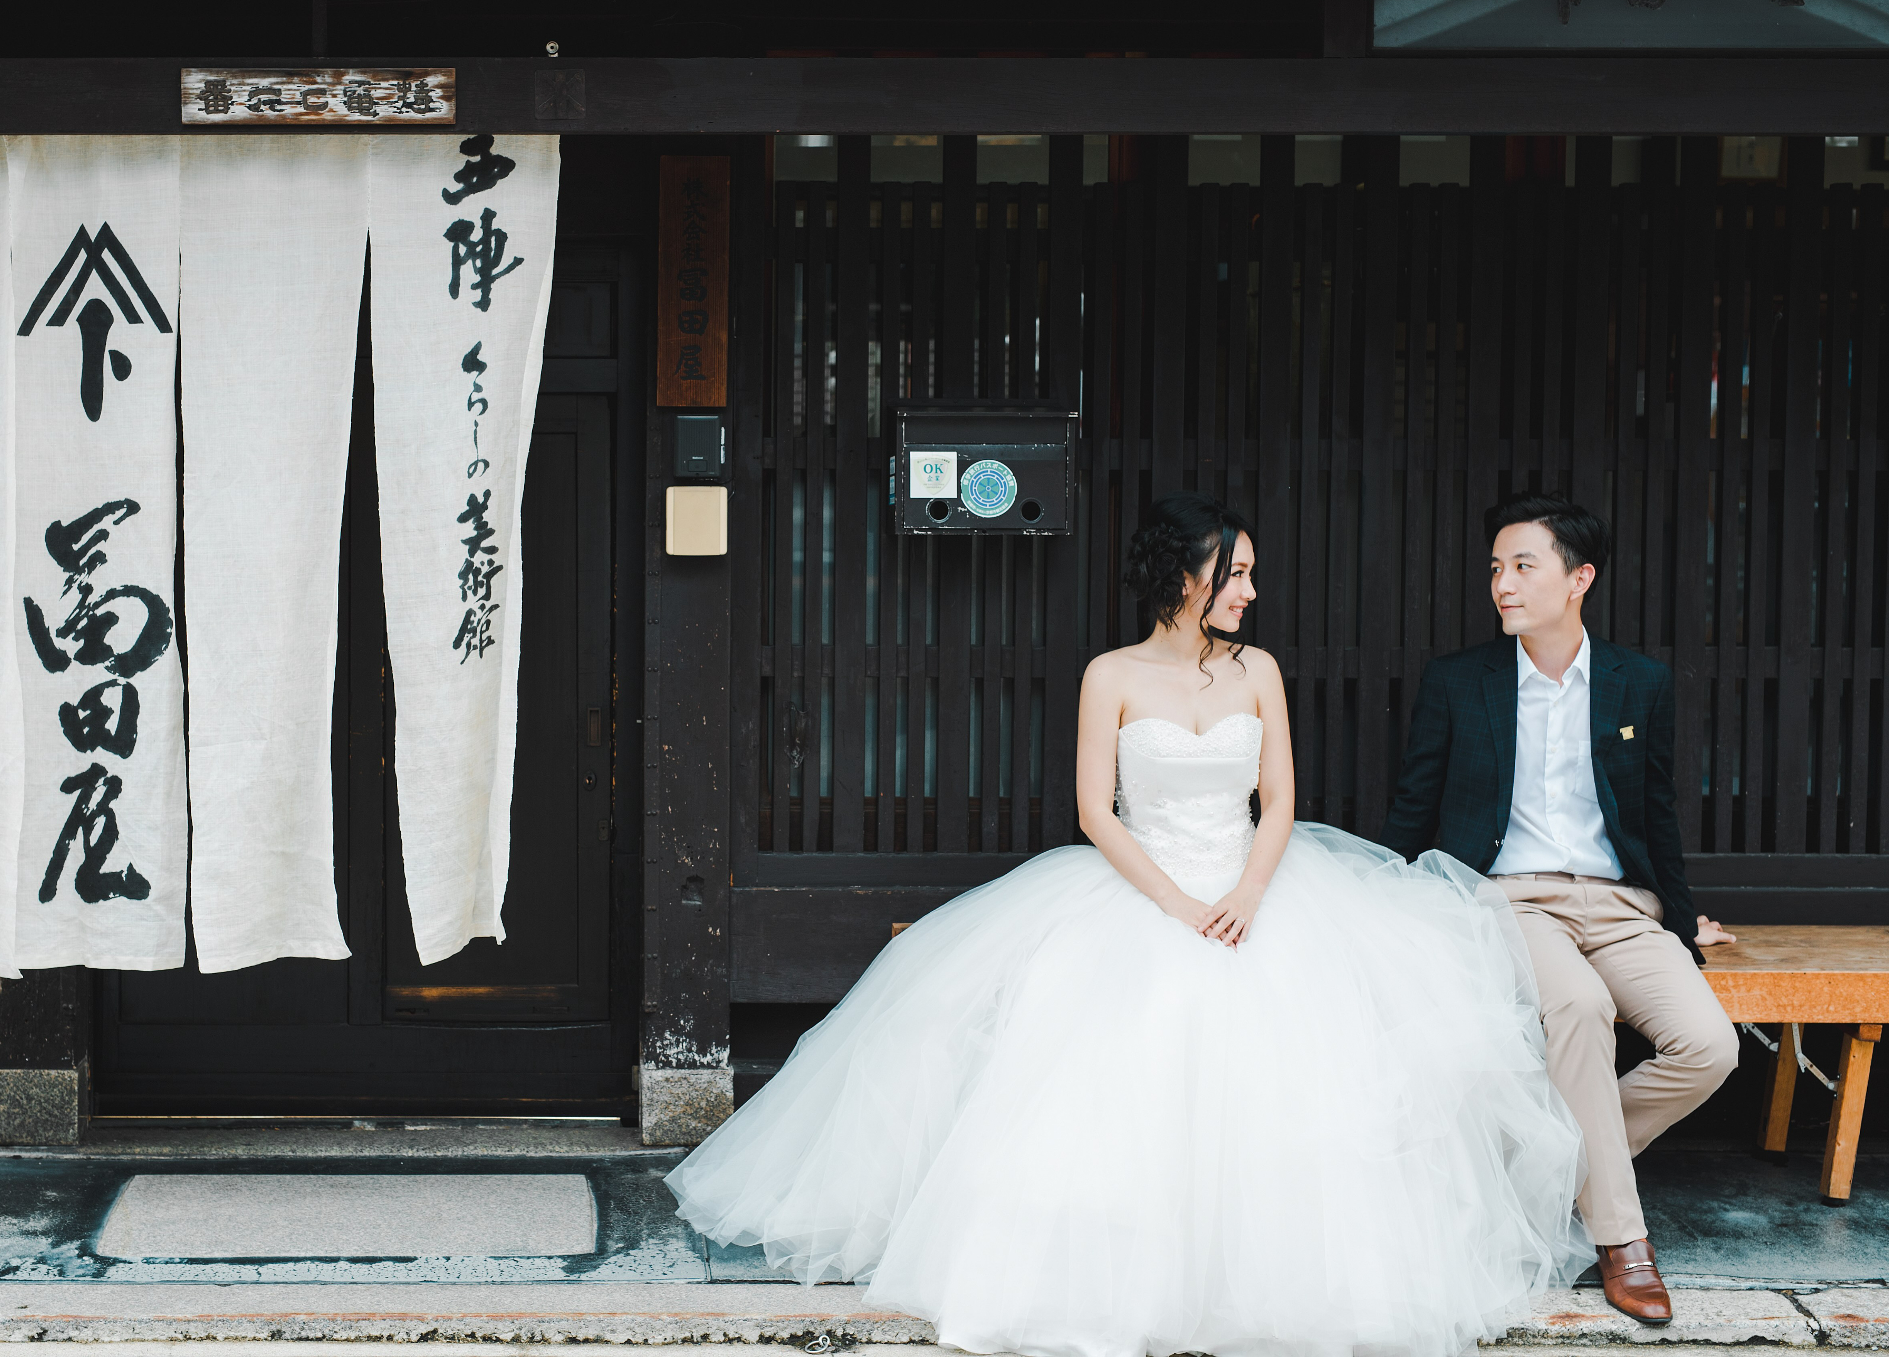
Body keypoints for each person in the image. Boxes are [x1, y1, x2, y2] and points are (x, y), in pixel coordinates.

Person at [666, 492, 1593, 1357]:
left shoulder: (1258, 670)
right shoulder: (1109, 675)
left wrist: (1247, 893)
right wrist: (1177, 903)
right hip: (1143, 887)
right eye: (1236, 574)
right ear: (1187, 577)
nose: (1251, 592)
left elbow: (1279, 800)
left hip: (1259, 889)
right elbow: (1095, 812)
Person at [1379, 492, 1740, 1328]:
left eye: (1522, 566)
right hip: (1512, 898)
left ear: (1580, 578)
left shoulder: (1637, 682)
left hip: (1620, 903)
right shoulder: (1459, 681)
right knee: (1578, 1007)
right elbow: (1414, 804)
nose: (1502, 584)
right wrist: (1381, 902)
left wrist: (1681, 921)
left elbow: (1657, 814)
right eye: (1495, 568)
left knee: (1710, 1047)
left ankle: (1544, 1168)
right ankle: (1623, 1239)